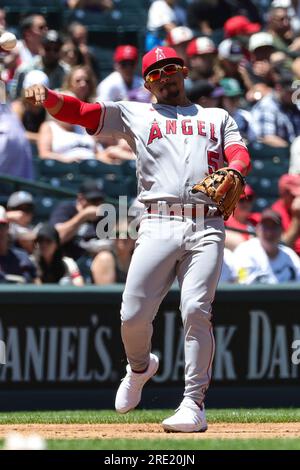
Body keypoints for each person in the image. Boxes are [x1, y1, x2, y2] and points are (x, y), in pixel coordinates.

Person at [24, 45, 251, 432]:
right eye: (156, 72)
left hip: (206, 224)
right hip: (158, 222)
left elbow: (238, 153)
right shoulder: (136, 113)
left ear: (182, 71)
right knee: (132, 315)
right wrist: (51, 99)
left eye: (171, 69)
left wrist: (234, 168)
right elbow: (82, 113)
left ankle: (193, 404)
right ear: (147, 82)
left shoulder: (216, 116)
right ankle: (140, 368)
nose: (165, 77)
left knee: (196, 310)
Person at [233, 209, 300, 284]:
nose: (269, 233)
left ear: (281, 231)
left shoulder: (290, 255)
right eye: (265, 227)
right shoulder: (245, 251)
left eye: (274, 227)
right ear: (257, 229)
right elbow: (241, 287)